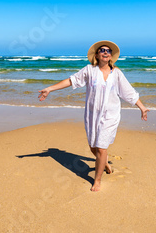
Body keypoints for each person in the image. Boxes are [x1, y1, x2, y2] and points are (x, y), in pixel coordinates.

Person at [38, 40, 149, 192]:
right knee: (93, 146)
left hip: (110, 115)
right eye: (102, 50)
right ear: (97, 54)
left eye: (108, 51)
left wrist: (142, 108)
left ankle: (97, 180)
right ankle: (105, 164)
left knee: (102, 148)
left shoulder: (116, 74)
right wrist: (50, 89)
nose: (105, 52)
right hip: (92, 116)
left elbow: (128, 92)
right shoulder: (89, 70)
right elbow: (72, 80)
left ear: (110, 56)